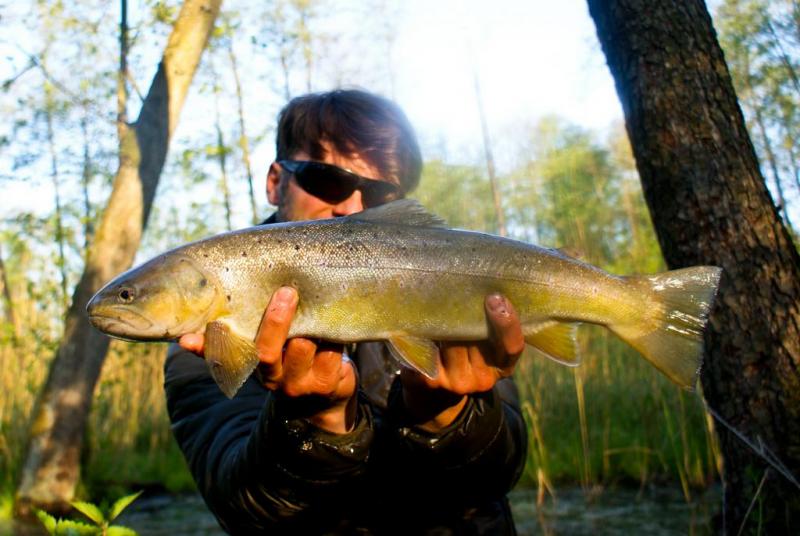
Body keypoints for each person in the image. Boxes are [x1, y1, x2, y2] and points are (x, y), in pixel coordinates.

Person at [164, 89, 528, 534]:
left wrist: (449, 416)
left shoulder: (447, 283)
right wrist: (312, 424)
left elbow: (497, 479)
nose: (352, 207)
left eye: (379, 194)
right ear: (276, 182)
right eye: (327, 181)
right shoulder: (207, 338)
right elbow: (243, 508)